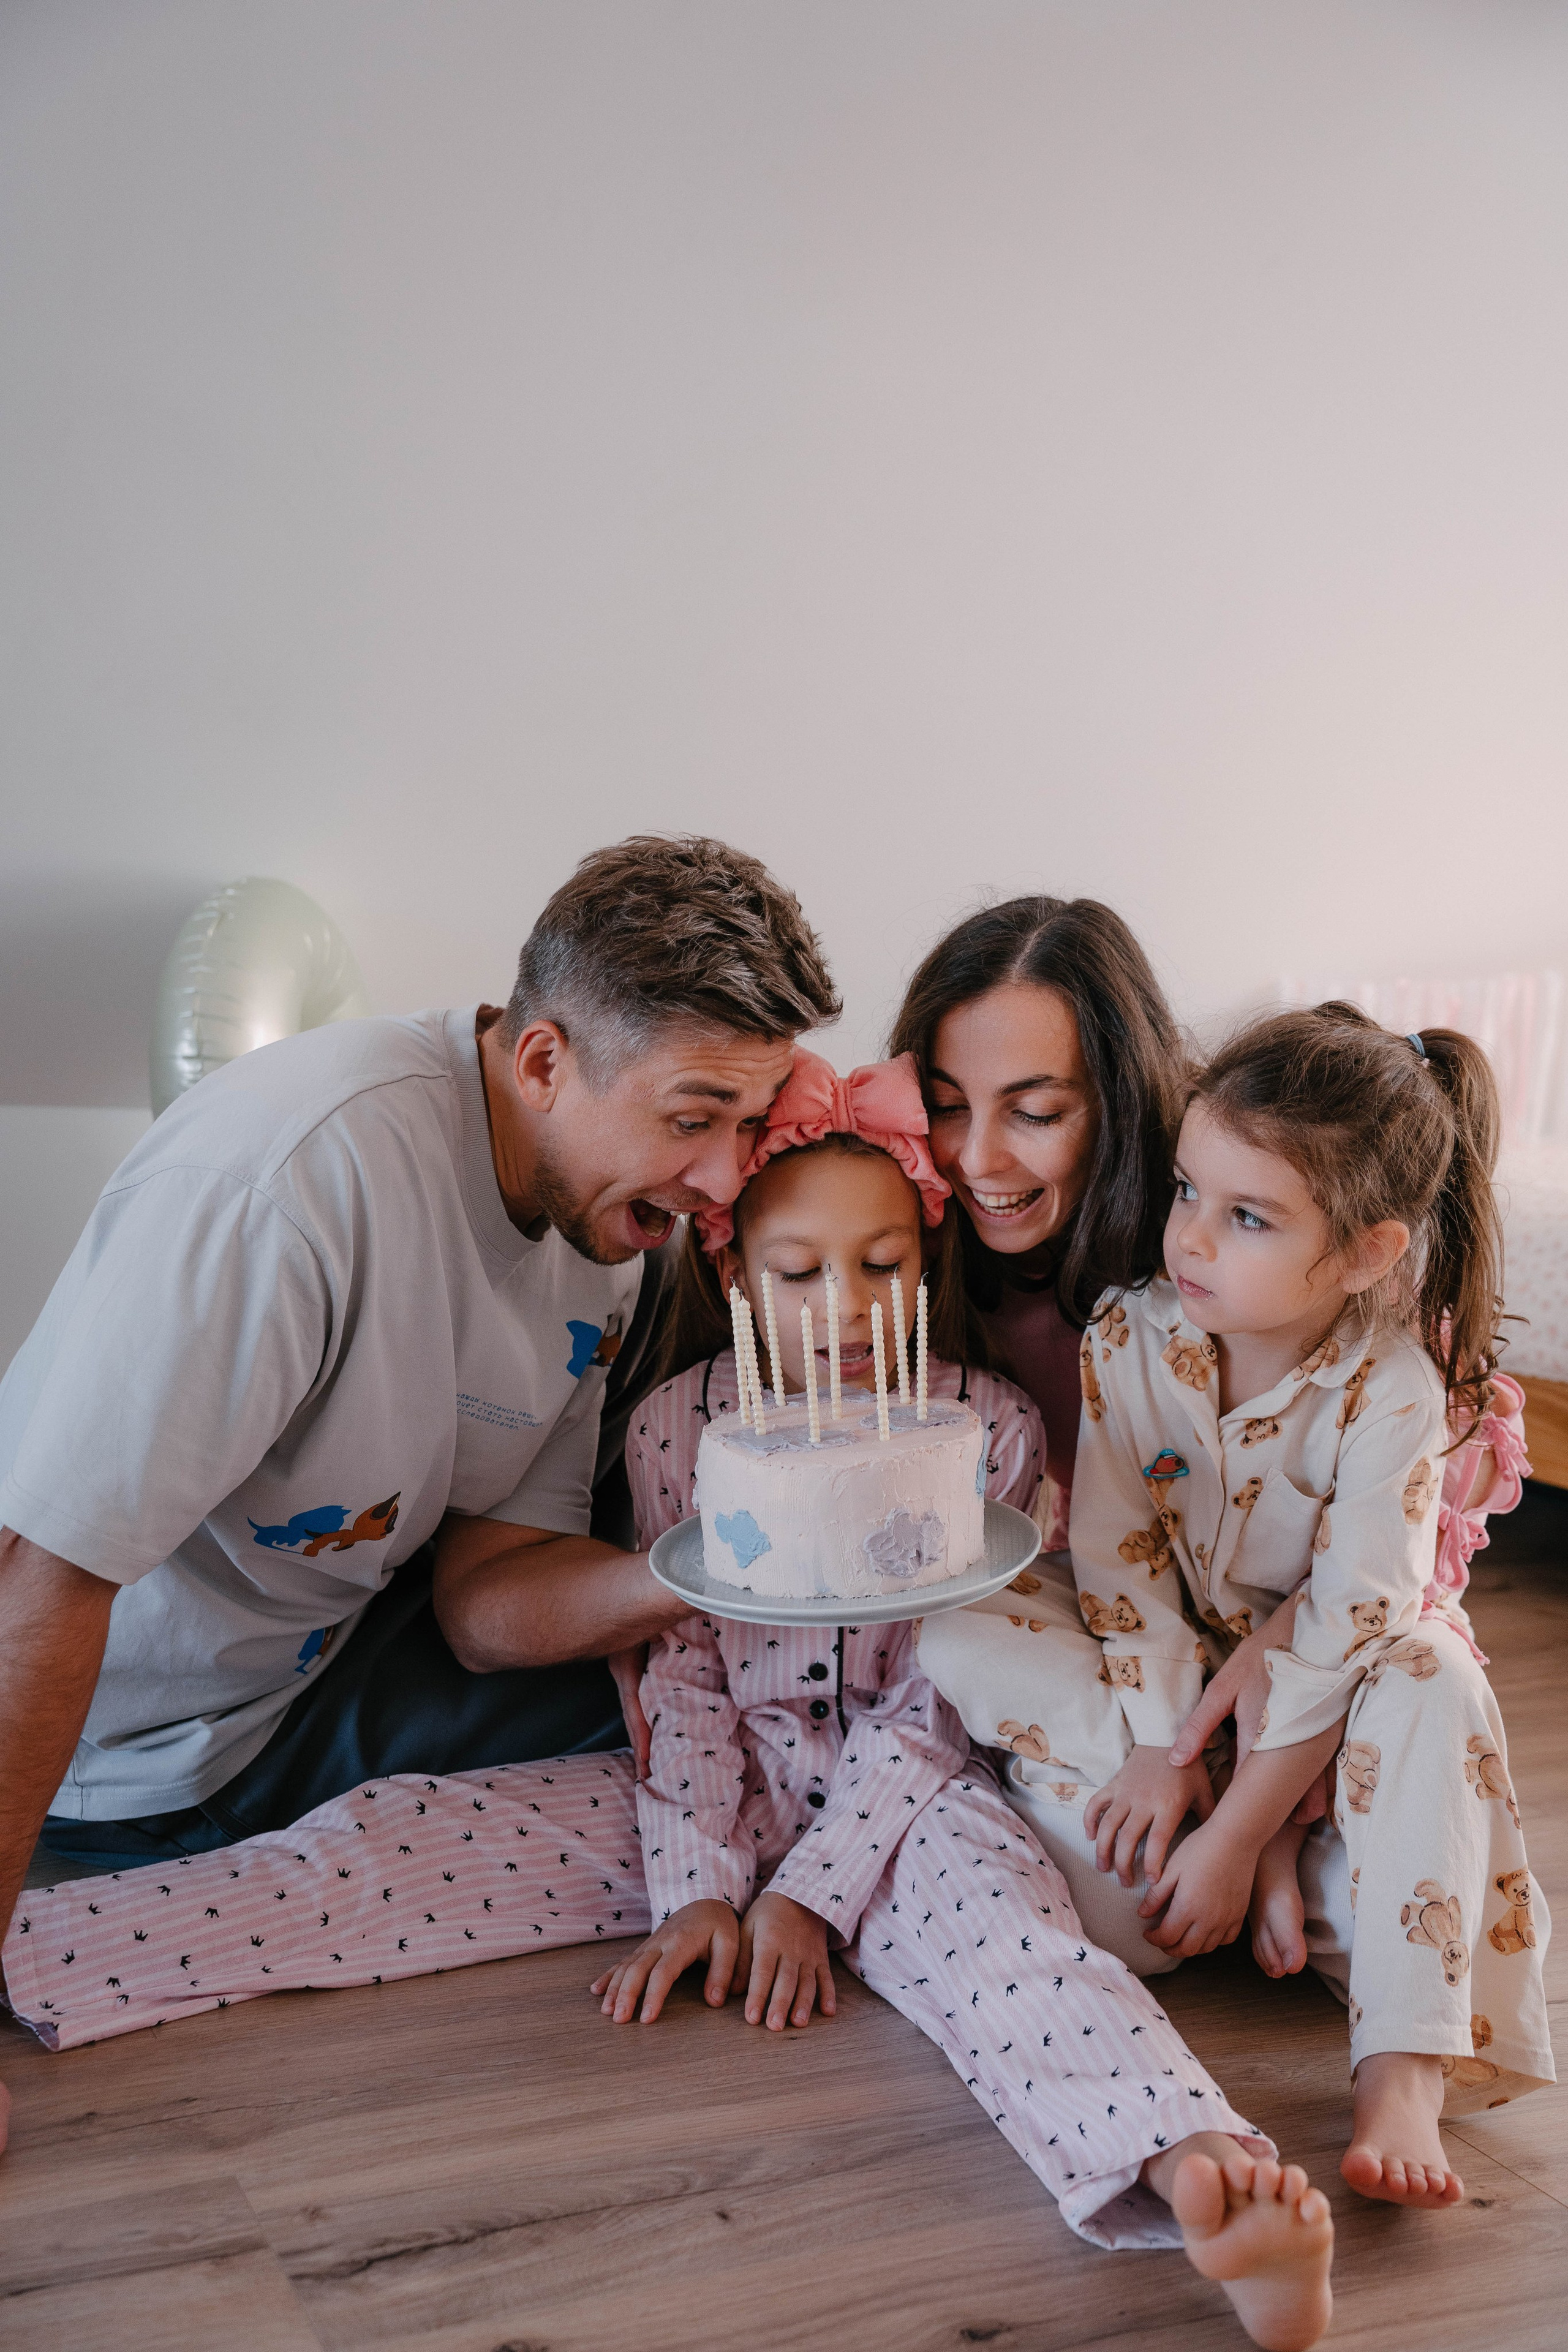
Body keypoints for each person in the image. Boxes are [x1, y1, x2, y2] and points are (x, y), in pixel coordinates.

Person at [7, 1050, 1336, 2351]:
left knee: (1019, 1954)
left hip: (911, 1802)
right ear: (732, 1271)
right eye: (800, 1272)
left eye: (881, 1266)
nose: (847, 1307)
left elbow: (948, 1695)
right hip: (703, 1778)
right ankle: (32, 1955)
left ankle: (1191, 2167)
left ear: (922, 1262)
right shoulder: (674, 1429)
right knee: (398, 1838)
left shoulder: (980, 1430)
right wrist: (699, 1879)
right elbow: (677, 1672)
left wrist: (814, 1893)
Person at [0, 832, 840, 2151]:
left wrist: (709, 1569)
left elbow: (488, 1592)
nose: (725, 1179)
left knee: (755, 1711)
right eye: (693, 1121)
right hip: (127, 1760)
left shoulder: (601, 1216)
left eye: (746, 1122)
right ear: (545, 1061)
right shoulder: (288, 1183)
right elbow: (40, 1575)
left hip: (316, 1668)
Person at [919, 1005, 1554, 2215]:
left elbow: (1346, 1632)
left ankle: (1398, 2068)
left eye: (1246, 1217)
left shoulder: (1394, 1393)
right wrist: (1167, 1757)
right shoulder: (1128, 1337)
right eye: (1183, 1193)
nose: (1189, 1240)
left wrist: (1239, 1831)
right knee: (961, 1620)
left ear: (1367, 1253)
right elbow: (1119, 1567)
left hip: (1334, 1697)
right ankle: (1266, 1895)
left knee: (1429, 1672)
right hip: (1174, 1698)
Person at [889, 897, 1183, 1546]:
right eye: (946, 1105)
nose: (975, 1160)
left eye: (1037, 1112)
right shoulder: (911, 1262)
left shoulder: (1215, 1244)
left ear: (1122, 1105)